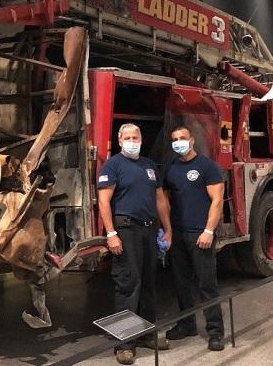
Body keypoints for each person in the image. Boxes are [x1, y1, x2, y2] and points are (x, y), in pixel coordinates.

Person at [97, 123, 173, 365]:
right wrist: (111, 233)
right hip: (126, 230)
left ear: (141, 139)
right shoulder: (113, 165)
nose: (132, 141)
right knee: (129, 285)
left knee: (149, 283)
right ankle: (125, 344)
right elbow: (104, 201)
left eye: (135, 137)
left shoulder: (149, 166)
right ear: (120, 141)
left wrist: (167, 229)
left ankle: (147, 334)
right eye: (127, 137)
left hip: (149, 230)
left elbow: (160, 199)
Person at [163, 125, 226, 351]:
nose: (178, 142)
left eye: (182, 138)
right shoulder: (171, 169)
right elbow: (166, 201)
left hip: (200, 235)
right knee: (181, 284)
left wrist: (209, 230)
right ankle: (186, 324)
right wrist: (168, 230)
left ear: (192, 141)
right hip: (179, 235)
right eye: (174, 139)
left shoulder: (207, 167)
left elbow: (217, 201)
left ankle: (215, 332)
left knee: (206, 285)